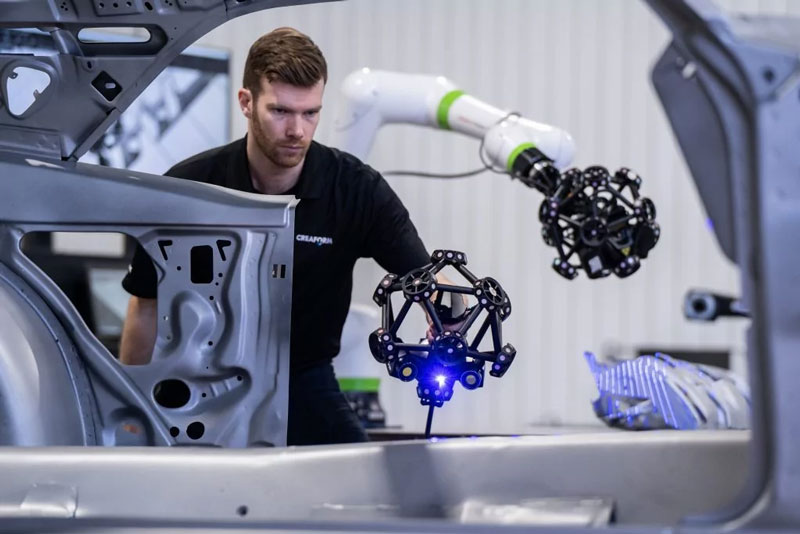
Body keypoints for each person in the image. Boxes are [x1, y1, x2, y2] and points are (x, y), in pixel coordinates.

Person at [119, 27, 431, 446]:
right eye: (281, 111)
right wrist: (131, 407)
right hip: (195, 382)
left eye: (310, 113)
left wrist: (449, 311)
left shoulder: (356, 189)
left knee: (361, 493)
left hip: (303, 378)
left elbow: (427, 277)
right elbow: (145, 307)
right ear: (246, 102)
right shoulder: (189, 187)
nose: (298, 131)